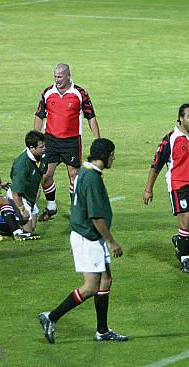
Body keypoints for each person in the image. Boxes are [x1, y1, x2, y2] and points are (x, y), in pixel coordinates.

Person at [38, 138, 127, 344]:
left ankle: (102, 331)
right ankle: (51, 317)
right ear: (104, 155)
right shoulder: (92, 178)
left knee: (106, 280)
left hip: (87, 236)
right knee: (90, 287)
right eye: (112, 154)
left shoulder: (84, 172)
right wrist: (112, 242)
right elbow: (96, 217)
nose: (113, 158)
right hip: (89, 237)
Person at [143, 103, 189, 274]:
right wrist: (149, 189)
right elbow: (156, 166)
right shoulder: (170, 139)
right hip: (179, 184)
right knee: (187, 218)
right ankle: (185, 258)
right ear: (180, 119)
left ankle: (180, 239)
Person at [34, 63, 100, 221]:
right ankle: (51, 207)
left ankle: (76, 211)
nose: (56, 80)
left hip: (71, 141)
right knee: (45, 175)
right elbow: (39, 115)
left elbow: (90, 117)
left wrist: (98, 139)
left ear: (68, 76)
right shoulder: (48, 92)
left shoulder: (80, 93)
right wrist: (36, 136)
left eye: (60, 77)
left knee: (73, 176)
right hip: (50, 140)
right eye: (55, 76)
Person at [3, 130, 46, 234]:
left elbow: (40, 175)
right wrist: (22, 209)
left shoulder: (43, 156)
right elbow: (15, 192)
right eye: (41, 147)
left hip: (30, 197)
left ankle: (14, 217)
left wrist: (38, 188)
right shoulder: (22, 165)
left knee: (33, 226)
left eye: (45, 146)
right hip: (19, 197)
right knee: (27, 231)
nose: (44, 149)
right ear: (31, 148)